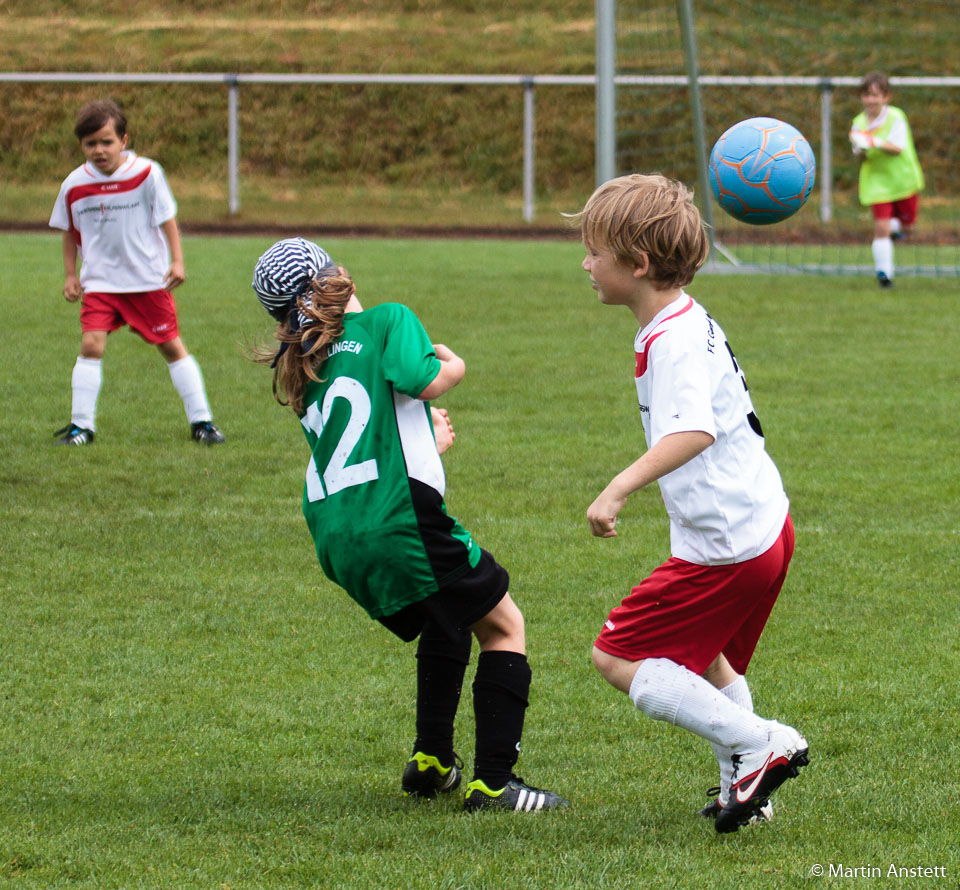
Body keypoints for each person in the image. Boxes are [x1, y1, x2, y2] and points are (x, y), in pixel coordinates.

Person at [250, 237, 567, 813]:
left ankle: (431, 762)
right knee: (503, 625)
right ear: (337, 276)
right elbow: (425, 382)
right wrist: (454, 364)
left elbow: (364, 438)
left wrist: (426, 439)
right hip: (400, 518)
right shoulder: (386, 320)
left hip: (339, 533)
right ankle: (496, 785)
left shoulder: (301, 365)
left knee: (447, 624)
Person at [571, 174, 808, 834]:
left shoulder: (673, 338)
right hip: (761, 523)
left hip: (729, 542)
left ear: (638, 263)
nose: (585, 263)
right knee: (705, 655)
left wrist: (618, 485)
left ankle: (764, 742)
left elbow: (693, 429)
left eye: (595, 251)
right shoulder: (681, 318)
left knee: (616, 656)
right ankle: (748, 792)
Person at [49, 99, 224, 445]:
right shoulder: (73, 184)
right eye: (90, 143)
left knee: (171, 347)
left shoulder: (147, 173)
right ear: (81, 145)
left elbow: (166, 219)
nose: (99, 150)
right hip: (100, 281)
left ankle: (202, 422)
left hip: (147, 280)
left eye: (106, 141)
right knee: (91, 345)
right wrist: (71, 275)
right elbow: (69, 231)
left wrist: (177, 261)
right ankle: (81, 427)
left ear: (124, 140)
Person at [849, 71, 925, 288]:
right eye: (866, 95)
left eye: (876, 95)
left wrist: (872, 142)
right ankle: (884, 276)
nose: (871, 100)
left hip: (902, 180)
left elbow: (896, 148)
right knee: (881, 227)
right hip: (876, 182)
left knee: (908, 228)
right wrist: (861, 147)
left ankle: (890, 234)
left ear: (886, 97)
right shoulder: (858, 123)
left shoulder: (896, 117)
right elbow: (860, 155)